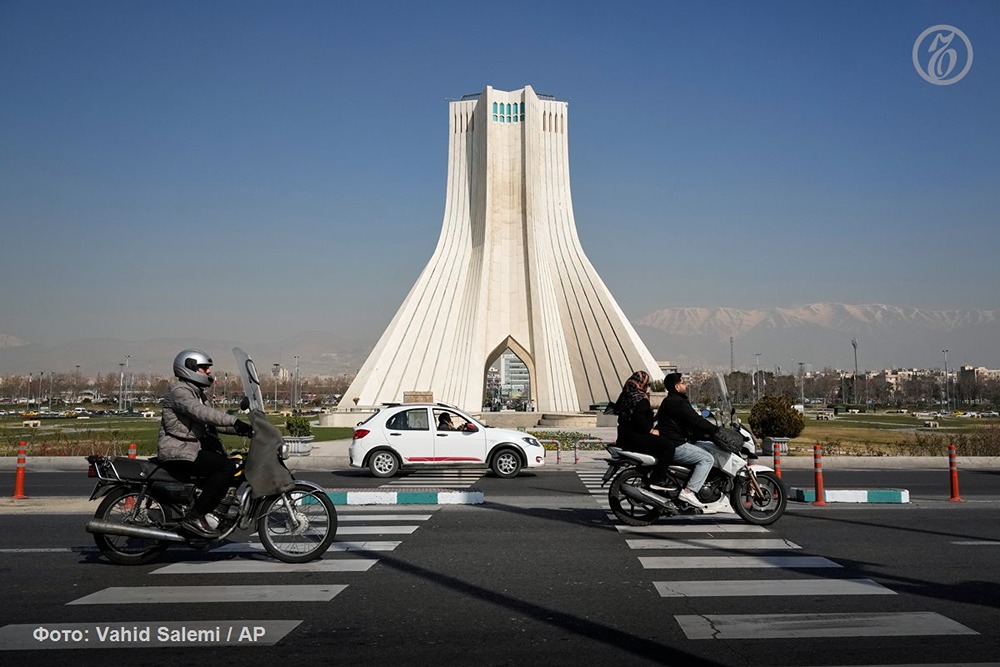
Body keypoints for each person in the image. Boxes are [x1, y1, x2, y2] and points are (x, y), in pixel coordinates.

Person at [158, 349, 253, 538]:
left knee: (239, 463)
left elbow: (211, 423)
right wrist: (234, 421)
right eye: (204, 368)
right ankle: (195, 517)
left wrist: (247, 429)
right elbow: (201, 413)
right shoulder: (180, 391)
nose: (208, 372)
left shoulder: (198, 393)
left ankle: (216, 508)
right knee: (226, 467)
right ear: (189, 369)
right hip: (178, 451)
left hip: (190, 449)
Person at [654, 372, 720, 509]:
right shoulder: (678, 402)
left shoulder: (670, 400)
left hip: (671, 440)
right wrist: (716, 430)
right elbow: (695, 420)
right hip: (675, 443)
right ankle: (689, 492)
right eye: (683, 383)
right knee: (707, 459)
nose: (686, 385)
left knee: (703, 448)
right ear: (677, 387)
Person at [613, 370, 675, 488]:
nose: (647, 388)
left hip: (623, 437)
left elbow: (617, 411)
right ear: (641, 385)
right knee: (668, 447)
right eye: (647, 385)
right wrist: (651, 430)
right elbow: (640, 421)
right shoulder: (640, 399)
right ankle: (657, 479)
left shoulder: (625, 395)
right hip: (636, 437)